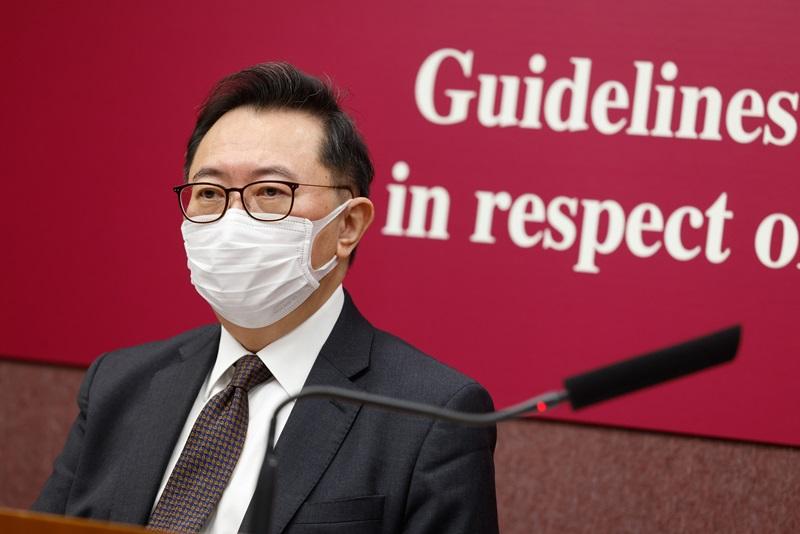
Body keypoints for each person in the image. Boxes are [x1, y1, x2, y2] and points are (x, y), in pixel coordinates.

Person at [33, 62, 498, 534]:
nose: (232, 218)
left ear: (348, 225)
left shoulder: (430, 415)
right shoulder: (119, 383)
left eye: (271, 191)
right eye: (209, 192)